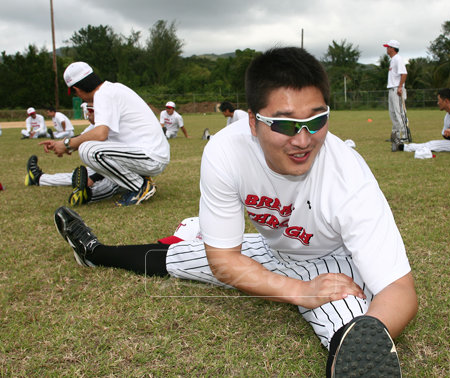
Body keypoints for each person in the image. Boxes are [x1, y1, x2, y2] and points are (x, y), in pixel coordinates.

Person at [54, 47, 417, 376]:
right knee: (178, 258)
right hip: (271, 251)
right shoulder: (226, 151)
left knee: (352, 328)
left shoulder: (347, 173)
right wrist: (299, 290)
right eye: (285, 123)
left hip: (332, 261)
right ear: (253, 122)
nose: (303, 139)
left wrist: (372, 330)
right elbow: (223, 260)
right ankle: (93, 252)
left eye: (317, 119)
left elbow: (399, 288)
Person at [40, 61, 170, 206]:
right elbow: (89, 134)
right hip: (148, 155)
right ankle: (88, 194)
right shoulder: (112, 89)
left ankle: (140, 186)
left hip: (150, 156)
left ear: (77, 89)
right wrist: (64, 144)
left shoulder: (103, 95)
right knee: (97, 168)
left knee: (88, 150)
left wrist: (67, 144)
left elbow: (99, 135)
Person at [25, 103, 121, 203]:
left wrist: (93, 179)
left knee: (112, 181)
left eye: (90, 111)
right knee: (83, 175)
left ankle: (88, 194)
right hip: (108, 165)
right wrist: (58, 144)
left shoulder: (116, 126)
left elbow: (118, 162)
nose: (87, 114)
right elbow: (79, 138)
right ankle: (38, 178)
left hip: (126, 168)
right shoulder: (96, 126)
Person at [384, 40, 412, 148]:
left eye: (388, 47)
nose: (387, 49)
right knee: (393, 113)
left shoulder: (398, 59)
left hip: (397, 89)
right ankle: (395, 135)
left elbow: (404, 74)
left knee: (400, 112)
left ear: (392, 48)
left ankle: (405, 135)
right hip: (391, 88)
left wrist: (400, 87)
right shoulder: (392, 60)